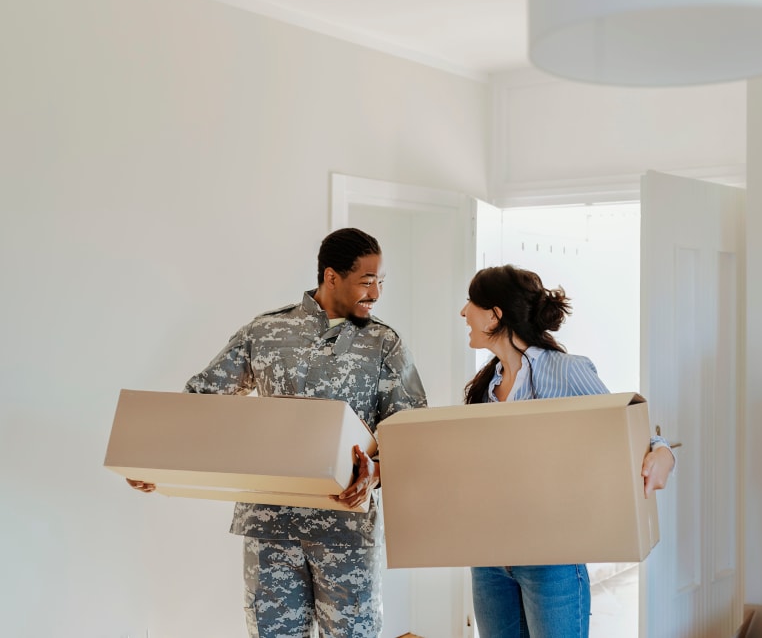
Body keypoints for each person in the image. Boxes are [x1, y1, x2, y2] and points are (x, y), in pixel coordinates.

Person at [127, 227, 427, 638]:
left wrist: (375, 473)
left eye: (381, 281)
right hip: (270, 530)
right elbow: (200, 400)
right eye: (367, 281)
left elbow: (410, 434)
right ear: (331, 276)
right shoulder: (264, 332)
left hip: (345, 532)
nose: (376, 293)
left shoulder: (384, 344)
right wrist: (150, 461)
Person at [460, 264, 676, 638]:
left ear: (495, 314)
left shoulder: (565, 371)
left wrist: (662, 453)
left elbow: (629, 427)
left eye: (471, 303)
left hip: (551, 560)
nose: (463, 312)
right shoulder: (485, 386)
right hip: (489, 560)